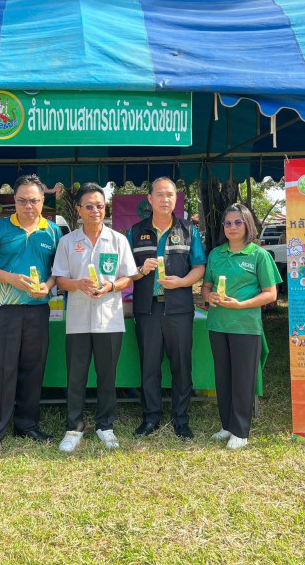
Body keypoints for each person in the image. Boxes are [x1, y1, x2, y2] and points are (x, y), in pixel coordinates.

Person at [0, 174, 62, 459]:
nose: (28, 206)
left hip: (38, 310)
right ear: (13, 200)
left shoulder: (52, 231)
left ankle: (27, 424)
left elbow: (57, 272)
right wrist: (11, 279)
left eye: (34, 201)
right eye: (22, 200)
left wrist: (48, 286)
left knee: (33, 370)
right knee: (2, 372)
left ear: (43, 201)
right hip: (6, 311)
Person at [52, 183, 137, 452]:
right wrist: (78, 284)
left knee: (107, 375)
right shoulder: (68, 242)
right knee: (76, 376)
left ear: (105, 208)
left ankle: (105, 425)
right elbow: (60, 279)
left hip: (109, 319)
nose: (95, 210)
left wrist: (111, 286)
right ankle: (74, 428)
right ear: (78, 210)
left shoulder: (118, 240)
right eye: (89, 206)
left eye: (100, 205)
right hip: (78, 319)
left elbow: (128, 277)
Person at [127, 177, 206, 440]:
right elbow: (124, 272)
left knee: (181, 365)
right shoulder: (135, 231)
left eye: (170, 194)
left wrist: (182, 282)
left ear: (176, 199)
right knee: (149, 366)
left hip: (179, 308)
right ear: (149, 199)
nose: (165, 199)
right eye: (159, 194)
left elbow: (199, 267)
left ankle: (181, 419)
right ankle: (151, 418)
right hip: (147, 309)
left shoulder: (188, 230)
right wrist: (141, 270)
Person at [201, 204, 281, 450]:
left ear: (248, 224)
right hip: (218, 324)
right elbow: (206, 286)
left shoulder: (259, 255)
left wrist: (242, 305)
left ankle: (240, 430)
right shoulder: (216, 254)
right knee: (223, 377)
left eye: (238, 222)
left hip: (246, 325)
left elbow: (270, 294)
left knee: (243, 379)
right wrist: (208, 296)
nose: (232, 227)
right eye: (228, 223)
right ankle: (227, 425)